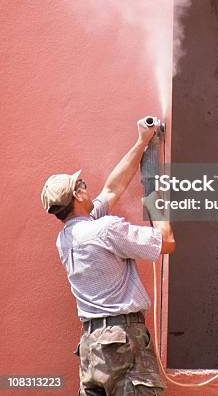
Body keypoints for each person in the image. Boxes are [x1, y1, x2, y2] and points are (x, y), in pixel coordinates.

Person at [41, 118, 175, 396]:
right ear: (78, 194)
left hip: (92, 345)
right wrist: (157, 204)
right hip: (123, 339)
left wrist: (141, 142)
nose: (89, 188)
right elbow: (167, 243)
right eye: (83, 184)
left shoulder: (66, 239)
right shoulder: (105, 229)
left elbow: (112, 190)